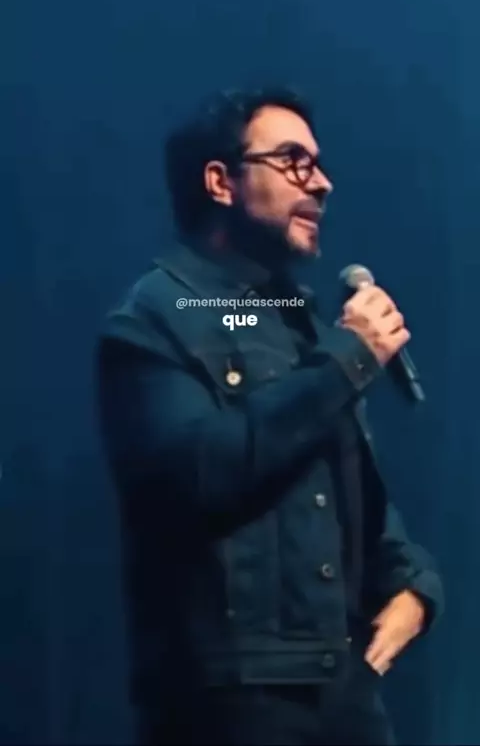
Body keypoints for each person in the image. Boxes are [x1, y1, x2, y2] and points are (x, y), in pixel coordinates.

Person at [97, 87, 443, 745]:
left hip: (344, 694)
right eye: (293, 160)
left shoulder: (299, 320)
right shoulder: (157, 315)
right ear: (220, 182)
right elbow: (196, 474)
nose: (322, 182)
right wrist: (347, 360)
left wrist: (414, 585)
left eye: (318, 163)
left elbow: (349, 488)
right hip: (233, 701)